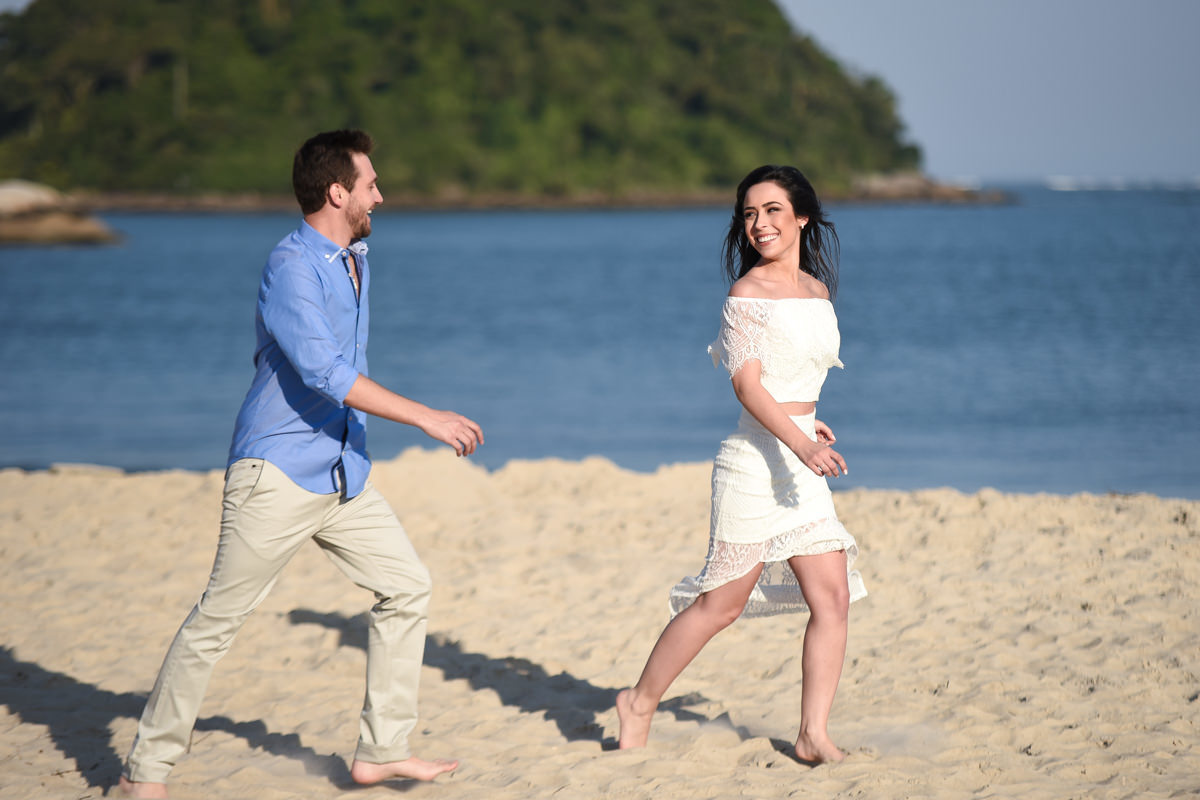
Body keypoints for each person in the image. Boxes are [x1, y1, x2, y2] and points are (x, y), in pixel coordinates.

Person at [119, 129, 483, 798]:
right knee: (215, 623)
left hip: (343, 473)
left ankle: (381, 751)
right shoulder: (291, 265)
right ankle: (145, 773)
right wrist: (426, 417)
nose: (381, 195)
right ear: (337, 192)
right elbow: (324, 371)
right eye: (371, 183)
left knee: (406, 587)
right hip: (278, 473)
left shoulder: (354, 259)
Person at [616, 165, 867, 763]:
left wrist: (808, 423)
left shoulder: (817, 292)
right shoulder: (745, 294)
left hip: (800, 457)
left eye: (773, 210)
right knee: (719, 605)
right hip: (755, 465)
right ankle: (639, 702)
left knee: (831, 598)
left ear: (802, 216)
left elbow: (794, 378)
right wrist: (801, 443)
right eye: (750, 214)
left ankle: (812, 734)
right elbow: (749, 388)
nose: (759, 224)